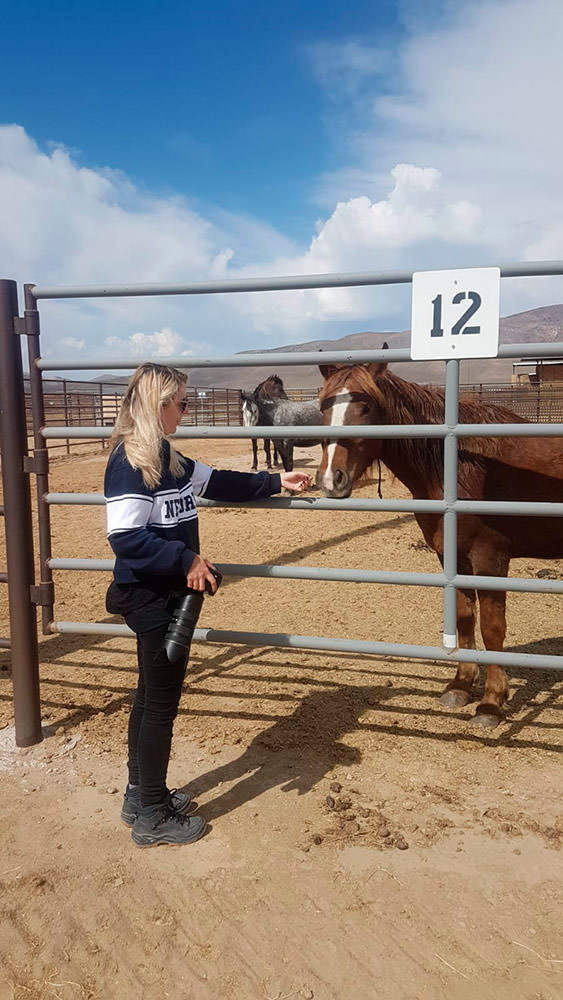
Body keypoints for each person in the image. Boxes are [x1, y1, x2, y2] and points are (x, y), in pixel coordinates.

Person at [104, 362, 310, 848]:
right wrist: (187, 558)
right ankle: (152, 814)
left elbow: (217, 481)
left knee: (148, 697)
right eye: (181, 402)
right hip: (150, 598)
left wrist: (276, 482)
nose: (186, 409)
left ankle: (141, 794)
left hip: (162, 594)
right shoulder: (131, 462)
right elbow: (126, 538)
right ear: (159, 405)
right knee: (160, 705)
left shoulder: (166, 457)